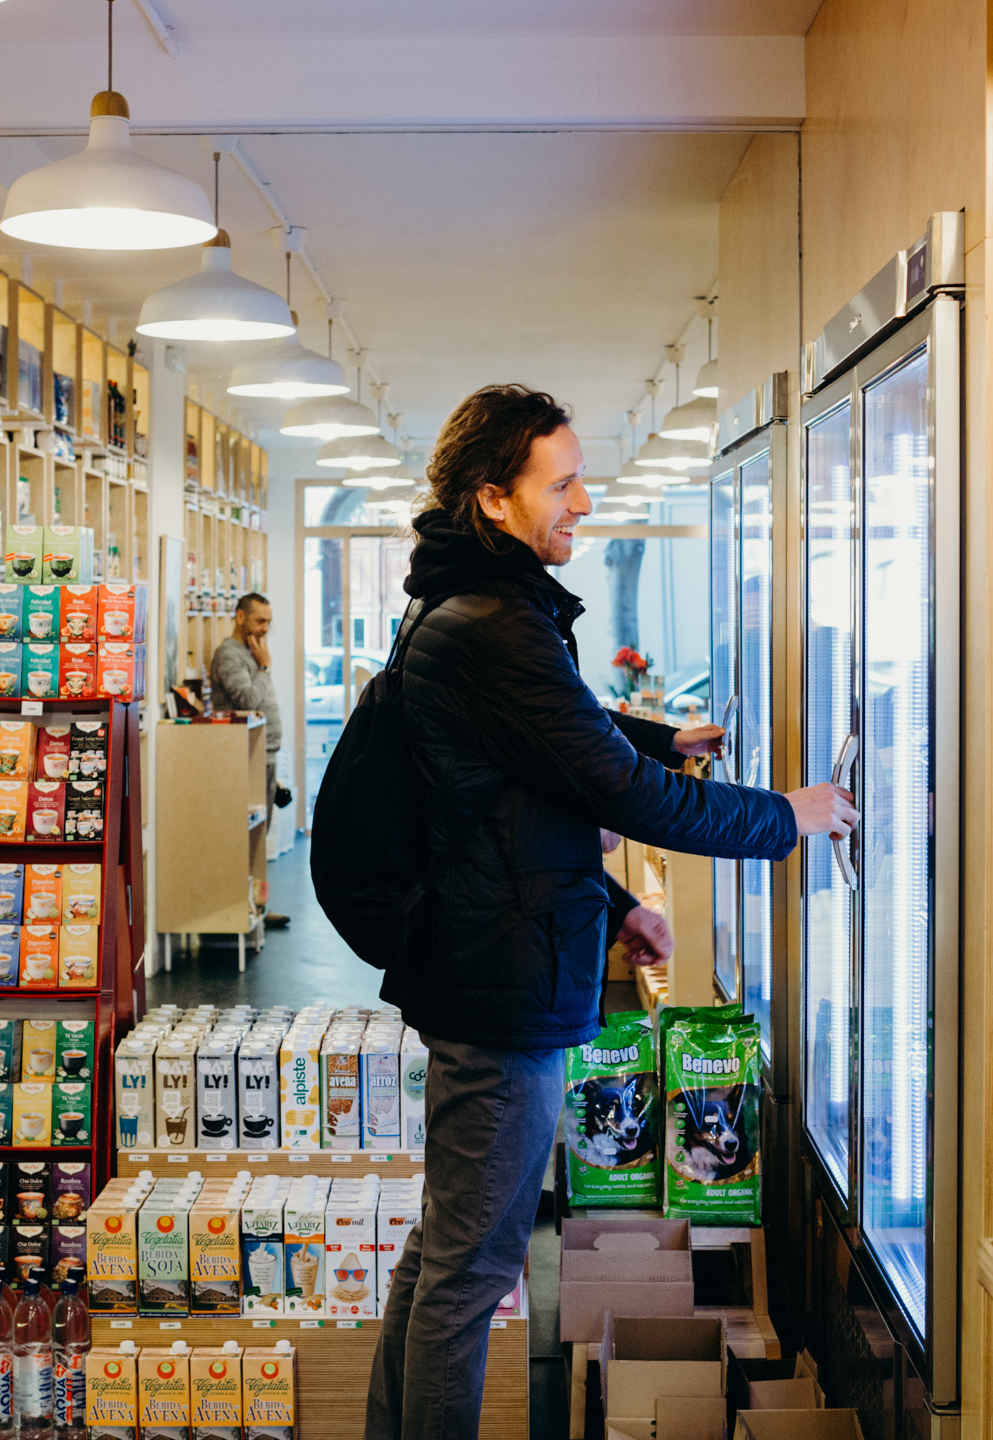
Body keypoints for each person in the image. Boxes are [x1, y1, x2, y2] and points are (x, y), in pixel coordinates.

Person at [361, 384, 859, 1440]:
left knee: (444, 1254)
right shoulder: (495, 621)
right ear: (495, 499)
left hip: (490, 958)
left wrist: (622, 863)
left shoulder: (469, 603)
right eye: (566, 481)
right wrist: (787, 814)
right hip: (500, 988)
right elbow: (607, 790)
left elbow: (537, 766)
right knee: (471, 1270)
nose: (585, 500)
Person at [206, 590, 290, 930]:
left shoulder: (252, 652)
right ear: (240, 617)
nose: (265, 628)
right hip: (244, 754)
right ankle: (244, 907)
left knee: (260, 834)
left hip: (263, 753)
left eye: (269, 622)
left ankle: (257, 905)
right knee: (247, 839)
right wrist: (265, 666)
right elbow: (247, 700)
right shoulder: (230, 655)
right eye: (259, 620)